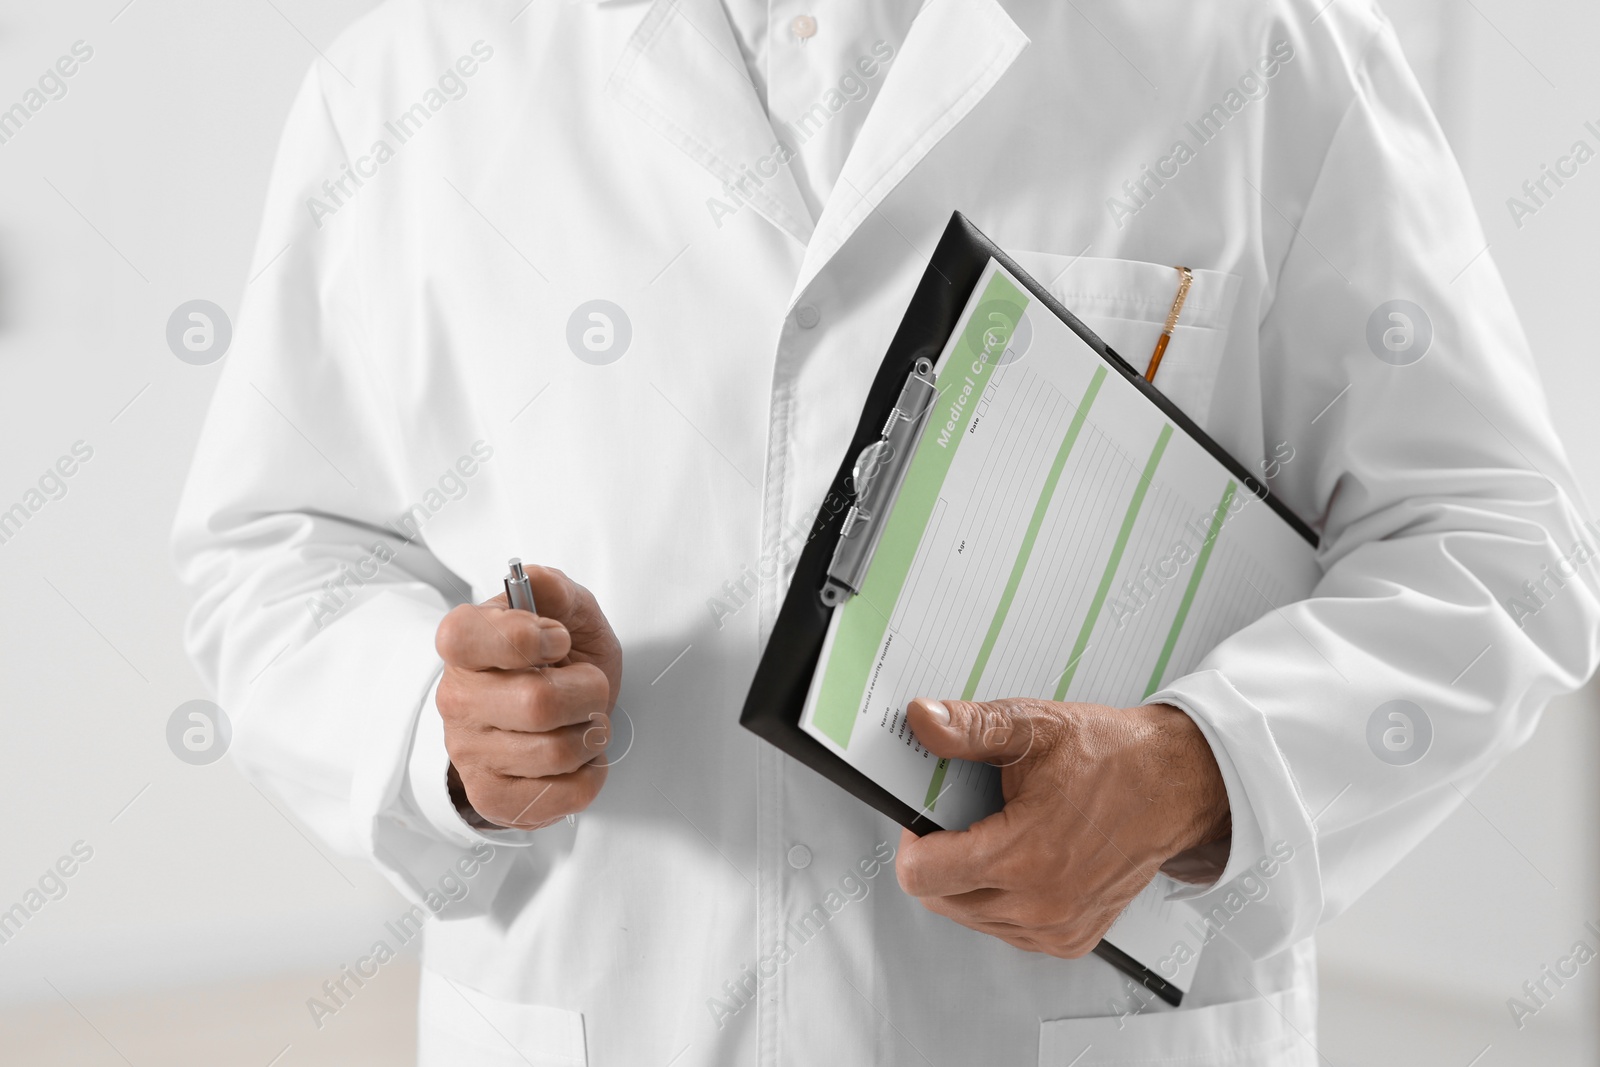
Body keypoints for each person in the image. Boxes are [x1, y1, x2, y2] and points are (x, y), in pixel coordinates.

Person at [172, 1, 1600, 1063]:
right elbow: (277, 546)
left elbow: (1497, 544)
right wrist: (440, 727)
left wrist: (1198, 769)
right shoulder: (416, 81)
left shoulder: (1257, 49)